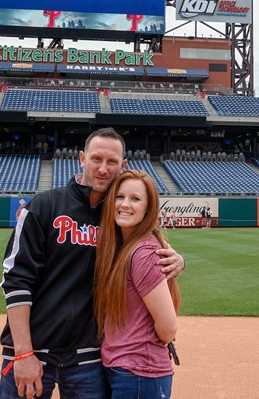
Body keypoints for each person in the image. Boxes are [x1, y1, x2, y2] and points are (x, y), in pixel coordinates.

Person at [0, 128, 184, 399]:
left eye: (112, 162)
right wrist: (23, 352)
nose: (103, 169)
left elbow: (148, 242)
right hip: (34, 353)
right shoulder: (45, 206)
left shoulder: (118, 217)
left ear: (123, 166)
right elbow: (16, 281)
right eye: (96, 159)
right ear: (82, 159)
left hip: (88, 359)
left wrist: (179, 259)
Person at [95, 170, 180, 398]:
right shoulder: (122, 246)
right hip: (124, 370)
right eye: (120, 197)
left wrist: (142, 345)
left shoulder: (143, 252)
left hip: (141, 373)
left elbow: (169, 327)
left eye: (135, 199)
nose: (125, 204)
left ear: (148, 209)